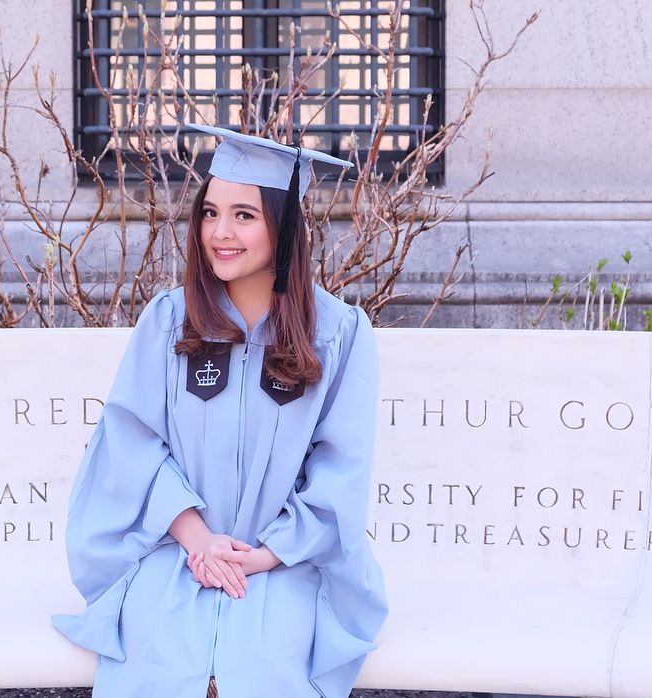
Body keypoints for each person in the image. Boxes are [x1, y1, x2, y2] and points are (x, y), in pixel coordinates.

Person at [51, 123, 388, 698]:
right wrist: (199, 539)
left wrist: (264, 555)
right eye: (209, 213)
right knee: (159, 653)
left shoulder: (339, 333)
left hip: (289, 558)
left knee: (267, 663)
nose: (220, 232)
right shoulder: (169, 320)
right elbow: (131, 445)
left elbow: (340, 470)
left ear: (283, 226)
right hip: (176, 548)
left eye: (243, 215)